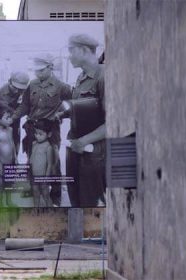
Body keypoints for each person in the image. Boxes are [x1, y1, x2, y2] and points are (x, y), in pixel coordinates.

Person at [12, 54, 72, 206]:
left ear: (50, 67)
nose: (37, 73)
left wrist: (62, 114)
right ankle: (34, 189)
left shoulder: (61, 86)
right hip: (33, 127)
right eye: (36, 71)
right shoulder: (32, 84)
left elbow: (75, 103)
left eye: (41, 70)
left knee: (54, 161)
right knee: (32, 159)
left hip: (51, 129)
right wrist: (13, 118)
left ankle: (56, 193)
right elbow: (25, 106)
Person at [64, 34, 106, 207]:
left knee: (90, 203)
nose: (69, 55)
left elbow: (115, 122)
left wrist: (84, 141)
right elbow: (84, 109)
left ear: (83, 50)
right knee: (76, 200)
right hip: (76, 147)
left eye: (71, 51)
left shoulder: (104, 76)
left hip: (93, 152)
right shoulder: (82, 77)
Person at [0, 71, 30, 198]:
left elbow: (25, 107)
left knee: (12, 152)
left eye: (21, 89)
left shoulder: (25, 93)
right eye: (16, 88)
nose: (18, 91)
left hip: (12, 125)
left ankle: (9, 181)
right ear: (9, 82)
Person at [0, 106, 16, 207]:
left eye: (10, 117)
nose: (10, 120)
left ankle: (9, 201)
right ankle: (0, 204)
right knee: (0, 185)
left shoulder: (10, 129)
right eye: (7, 118)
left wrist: (16, 156)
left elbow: (12, 143)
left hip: (11, 162)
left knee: (9, 183)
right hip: (1, 164)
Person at [30, 119, 54, 207]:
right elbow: (32, 158)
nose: (37, 136)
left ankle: (51, 211)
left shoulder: (48, 147)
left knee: (46, 196)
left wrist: (46, 179)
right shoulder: (34, 144)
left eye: (40, 134)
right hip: (33, 176)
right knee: (35, 195)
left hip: (43, 177)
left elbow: (50, 164)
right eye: (36, 133)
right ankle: (35, 211)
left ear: (49, 134)